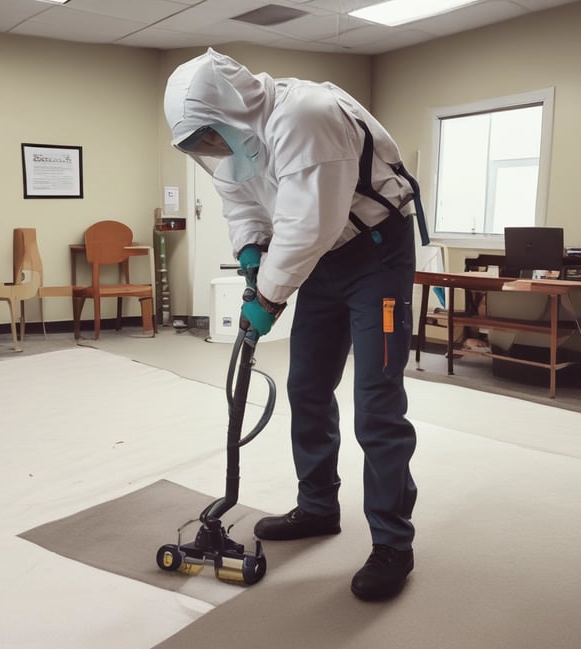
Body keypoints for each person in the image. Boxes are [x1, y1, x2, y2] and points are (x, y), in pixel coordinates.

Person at [164, 48, 421, 601]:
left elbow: (308, 226)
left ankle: (392, 542)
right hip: (322, 260)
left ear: (229, 110)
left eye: (211, 138)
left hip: (375, 253)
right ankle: (319, 505)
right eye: (202, 145)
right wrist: (250, 250)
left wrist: (267, 298)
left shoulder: (306, 116)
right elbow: (241, 202)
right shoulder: (235, 139)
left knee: (376, 401)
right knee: (307, 386)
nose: (213, 151)